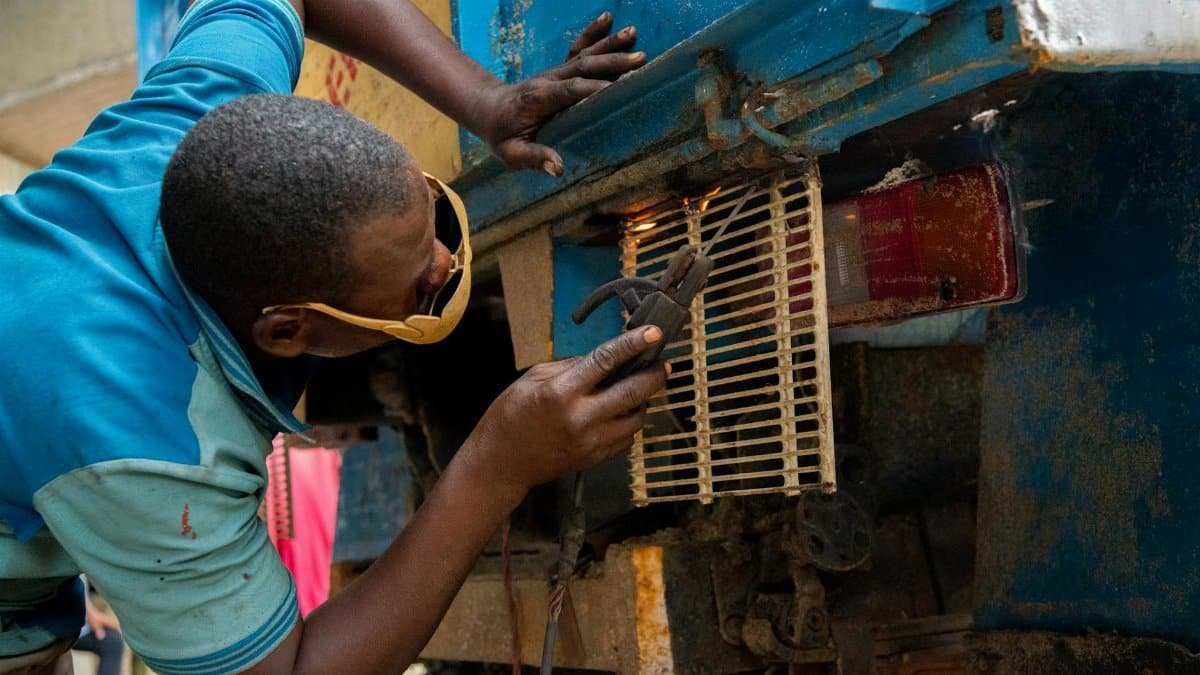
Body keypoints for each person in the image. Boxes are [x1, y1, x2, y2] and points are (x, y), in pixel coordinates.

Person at [0, 1, 665, 673]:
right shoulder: (148, 443)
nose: (445, 263)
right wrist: (494, 466)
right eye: (418, 291)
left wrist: (486, 99)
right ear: (287, 328)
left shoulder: (200, 113)